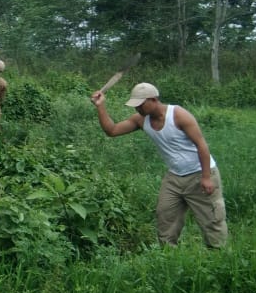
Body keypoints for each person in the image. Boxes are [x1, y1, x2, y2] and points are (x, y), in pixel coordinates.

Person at [90, 82, 228, 248]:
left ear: (154, 100)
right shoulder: (141, 120)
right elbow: (112, 131)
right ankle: (169, 256)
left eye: (141, 105)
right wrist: (100, 106)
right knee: (165, 216)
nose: (138, 109)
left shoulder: (178, 115)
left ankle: (218, 255)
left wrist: (206, 177)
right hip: (174, 177)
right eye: (136, 106)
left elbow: (201, 145)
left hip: (199, 173)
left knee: (211, 220)